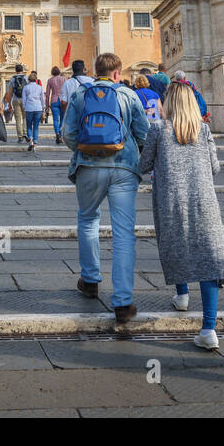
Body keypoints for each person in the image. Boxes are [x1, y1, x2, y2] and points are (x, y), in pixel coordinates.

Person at [140, 80, 224, 350]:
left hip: (171, 200)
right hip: (204, 201)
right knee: (208, 258)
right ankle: (208, 329)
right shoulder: (203, 130)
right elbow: (214, 168)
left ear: (168, 103)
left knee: (175, 245)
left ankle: (181, 295)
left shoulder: (158, 129)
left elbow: (144, 165)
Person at [62, 52, 150, 322]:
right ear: (117, 72)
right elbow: (144, 132)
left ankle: (90, 280)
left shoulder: (80, 93)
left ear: (95, 71)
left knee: (88, 220)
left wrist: (85, 149)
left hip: (88, 167)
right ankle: (123, 302)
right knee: (124, 233)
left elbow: (68, 134)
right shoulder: (128, 94)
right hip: (124, 168)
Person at [5, 63, 29, 142]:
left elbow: (10, 92)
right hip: (25, 100)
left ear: (15, 70)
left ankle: (20, 136)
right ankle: (25, 132)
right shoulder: (26, 78)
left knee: (18, 119)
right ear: (22, 70)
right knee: (25, 117)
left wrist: (9, 104)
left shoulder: (12, 79)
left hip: (15, 100)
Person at [22, 71, 45, 149]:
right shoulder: (40, 87)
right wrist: (43, 107)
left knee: (28, 125)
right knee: (36, 126)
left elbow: (24, 99)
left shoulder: (26, 87)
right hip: (38, 107)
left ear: (28, 79)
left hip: (29, 107)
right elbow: (42, 98)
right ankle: (35, 142)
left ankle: (30, 139)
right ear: (36, 79)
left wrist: (24, 108)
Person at [45, 66, 66, 144]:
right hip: (62, 100)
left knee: (55, 119)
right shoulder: (63, 79)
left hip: (54, 101)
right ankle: (60, 135)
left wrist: (47, 105)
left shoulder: (50, 80)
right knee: (62, 119)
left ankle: (57, 133)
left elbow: (47, 94)